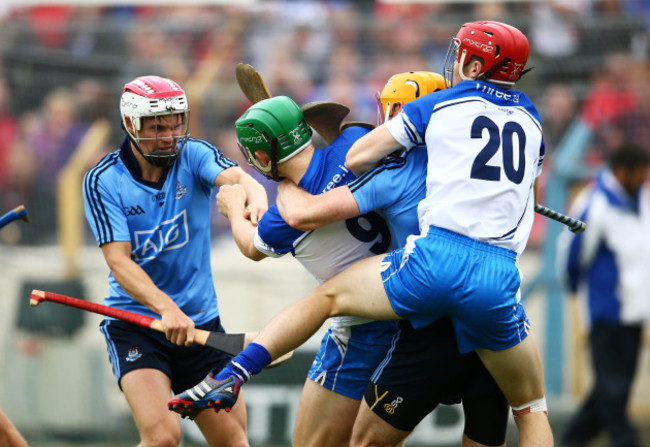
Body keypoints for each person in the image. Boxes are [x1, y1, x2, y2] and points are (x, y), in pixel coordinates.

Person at [169, 21, 553, 447]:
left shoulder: (427, 121)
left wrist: (263, 193)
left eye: (395, 109)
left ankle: (234, 372)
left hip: (417, 296)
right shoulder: (530, 119)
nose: (386, 116)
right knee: (530, 410)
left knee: (327, 305)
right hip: (496, 288)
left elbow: (322, 193)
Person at [276, 71, 509, 447]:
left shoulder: (393, 174)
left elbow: (304, 214)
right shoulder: (474, 170)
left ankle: (247, 362)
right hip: (491, 312)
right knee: (529, 413)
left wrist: (286, 183)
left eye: (393, 111)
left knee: (364, 441)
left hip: (424, 323)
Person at [171, 94, 398, 447]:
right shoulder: (353, 146)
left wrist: (233, 208)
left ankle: (234, 375)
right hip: (410, 305)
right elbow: (342, 137)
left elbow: (251, 247)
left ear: (261, 157)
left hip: (359, 332)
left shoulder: (281, 221)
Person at [83, 75, 268, 447]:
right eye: (156, 127)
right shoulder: (103, 180)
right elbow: (119, 262)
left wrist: (257, 196)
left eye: (173, 124)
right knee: (164, 437)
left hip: (202, 325)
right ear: (130, 125)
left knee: (233, 441)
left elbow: (239, 178)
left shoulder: (194, 154)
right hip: (137, 325)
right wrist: (166, 309)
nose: (168, 135)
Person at [559, 144, 650, 447]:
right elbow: (571, 253)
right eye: (640, 172)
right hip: (607, 311)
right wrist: (578, 292)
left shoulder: (641, 200)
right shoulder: (595, 202)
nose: (644, 178)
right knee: (613, 392)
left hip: (634, 313)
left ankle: (570, 441)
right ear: (622, 170)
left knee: (612, 390)